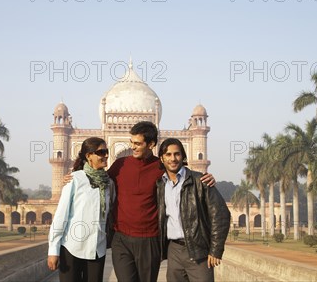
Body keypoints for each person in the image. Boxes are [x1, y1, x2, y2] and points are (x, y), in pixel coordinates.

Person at [63, 121, 215, 282]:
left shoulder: (160, 167)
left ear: (151, 144)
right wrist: (76, 176)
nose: (133, 147)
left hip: (149, 239)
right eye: (131, 142)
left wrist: (205, 178)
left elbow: (183, 177)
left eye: (138, 143)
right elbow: (98, 179)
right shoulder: (121, 164)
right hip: (121, 239)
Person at [157, 138, 231, 282]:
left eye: (177, 154)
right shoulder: (160, 184)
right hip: (174, 250)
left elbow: (221, 215)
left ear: (183, 156)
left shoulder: (200, 181)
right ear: (162, 158)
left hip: (198, 250)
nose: (173, 159)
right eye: (168, 154)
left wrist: (215, 250)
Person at [48, 137, 114, 282]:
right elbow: (61, 215)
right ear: (88, 156)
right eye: (101, 152)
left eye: (106, 151)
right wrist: (53, 249)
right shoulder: (75, 179)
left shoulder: (108, 183)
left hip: (98, 248)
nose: (106, 156)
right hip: (72, 247)